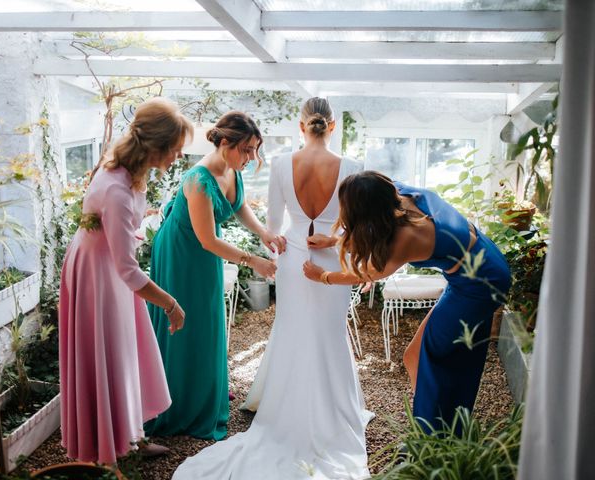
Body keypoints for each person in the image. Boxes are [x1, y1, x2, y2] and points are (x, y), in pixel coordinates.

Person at [172, 97, 371, 480]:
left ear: (301, 127)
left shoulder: (281, 164)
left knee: (292, 332)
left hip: (294, 261)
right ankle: (333, 412)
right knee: (330, 335)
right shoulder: (354, 168)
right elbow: (355, 229)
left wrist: (276, 248)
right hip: (329, 260)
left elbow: (274, 227)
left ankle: (286, 410)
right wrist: (332, 240)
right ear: (331, 126)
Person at [303, 171, 511, 431]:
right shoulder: (399, 195)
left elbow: (365, 274)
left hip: (480, 283)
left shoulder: (406, 239)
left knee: (432, 359)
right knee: (421, 356)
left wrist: (322, 276)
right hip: (477, 267)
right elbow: (376, 229)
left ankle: (432, 437)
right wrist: (335, 240)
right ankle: (440, 424)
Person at [58, 97, 192, 465]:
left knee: (130, 350)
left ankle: (131, 433)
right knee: (108, 354)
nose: (177, 157)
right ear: (156, 147)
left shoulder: (128, 172)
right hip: (97, 278)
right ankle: (104, 448)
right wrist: (170, 302)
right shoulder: (116, 187)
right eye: (176, 150)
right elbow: (128, 270)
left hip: (107, 268)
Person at [145, 111, 284, 440]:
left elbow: (239, 206)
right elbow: (207, 238)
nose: (252, 158)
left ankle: (204, 389)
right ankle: (176, 403)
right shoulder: (199, 178)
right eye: (247, 150)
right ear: (225, 143)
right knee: (183, 324)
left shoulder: (232, 168)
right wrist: (254, 262)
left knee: (208, 319)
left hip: (204, 254)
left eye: (255, 150)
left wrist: (264, 232)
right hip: (180, 254)